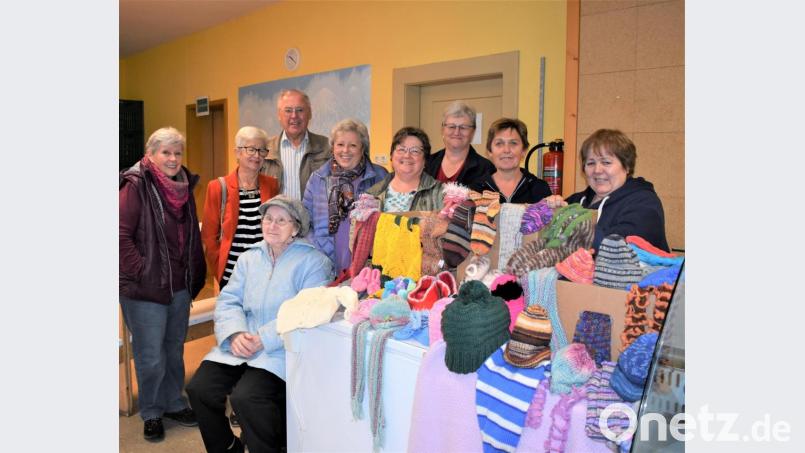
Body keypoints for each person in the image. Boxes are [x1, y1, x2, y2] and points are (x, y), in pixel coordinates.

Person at [187, 195, 334, 453]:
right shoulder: (249, 257)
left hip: (280, 348)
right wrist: (234, 333)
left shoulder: (313, 262)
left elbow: (306, 312)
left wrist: (263, 338)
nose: (272, 225)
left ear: (296, 228)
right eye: (267, 219)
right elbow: (229, 300)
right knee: (199, 389)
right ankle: (228, 447)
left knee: (247, 397)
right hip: (240, 342)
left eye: (281, 220)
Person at [119, 127, 207, 442]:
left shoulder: (181, 184)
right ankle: (152, 411)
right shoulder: (135, 185)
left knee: (173, 349)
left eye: (177, 152)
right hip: (145, 290)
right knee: (150, 355)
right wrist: (143, 272)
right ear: (151, 154)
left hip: (178, 285)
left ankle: (172, 402)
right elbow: (119, 235)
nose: (172, 159)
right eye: (165, 152)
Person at [544, 129, 669, 251]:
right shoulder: (576, 201)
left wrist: (574, 223)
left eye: (606, 162)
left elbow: (618, 250)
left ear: (627, 167)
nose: (597, 170)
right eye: (591, 163)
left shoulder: (645, 204)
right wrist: (546, 211)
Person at [303, 118, 388, 274]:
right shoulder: (317, 179)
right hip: (324, 265)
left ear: (363, 148)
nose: (345, 150)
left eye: (353, 145)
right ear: (332, 147)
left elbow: (388, 222)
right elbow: (305, 223)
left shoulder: (380, 176)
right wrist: (317, 253)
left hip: (367, 267)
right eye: (340, 144)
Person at [202, 126, 280, 292]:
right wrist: (219, 268)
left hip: (265, 272)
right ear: (237, 152)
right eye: (251, 149)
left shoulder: (271, 185)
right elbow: (209, 236)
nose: (257, 156)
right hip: (232, 274)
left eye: (261, 150)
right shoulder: (217, 187)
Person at [260, 89, 331, 201]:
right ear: (279, 115)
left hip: (314, 218)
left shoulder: (327, 147)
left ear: (310, 113)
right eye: (288, 110)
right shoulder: (264, 150)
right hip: (277, 217)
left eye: (300, 110)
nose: (294, 116)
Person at [469, 117, 552, 204]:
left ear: (524, 151)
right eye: (499, 143)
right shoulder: (476, 190)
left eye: (513, 143)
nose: (506, 150)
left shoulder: (539, 189)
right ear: (490, 151)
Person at [366, 126, 444, 212]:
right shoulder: (372, 194)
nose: (407, 155)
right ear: (391, 156)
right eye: (401, 149)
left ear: (425, 160)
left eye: (415, 151)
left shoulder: (441, 194)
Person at [424, 100, 495, 186]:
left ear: (473, 132)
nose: (457, 132)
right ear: (443, 130)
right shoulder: (427, 163)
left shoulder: (486, 168)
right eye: (451, 126)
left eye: (463, 127)